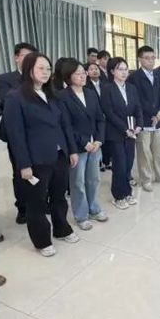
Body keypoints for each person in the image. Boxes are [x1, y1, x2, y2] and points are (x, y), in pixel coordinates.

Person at [3, 52, 80, 255]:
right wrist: (24, 165)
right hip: (36, 159)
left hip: (59, 155)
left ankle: (62, 229)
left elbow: (65, 125)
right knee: (36, 203)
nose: (46, 72)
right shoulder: (16, 97)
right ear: (29, 69)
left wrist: (72, 150)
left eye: (48, 68)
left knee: (59, 196)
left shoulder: (53, 94)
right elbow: (16, 135)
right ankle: (42, 241)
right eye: (41, 68)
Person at [54, 58, 107, 231]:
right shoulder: (62, 96)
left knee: (94, 179)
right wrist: (84, 143)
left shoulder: (90, 93)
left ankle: (94, 208)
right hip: (77, 147)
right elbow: (66, 126)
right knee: (77, 182)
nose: (83, 76)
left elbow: (100, 118)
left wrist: (98, 140)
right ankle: (81, 215)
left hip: (95, 145)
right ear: (68, 76)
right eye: (78, 73)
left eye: (83, 73)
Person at [0, 42, 37, 223]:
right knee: (20, 171)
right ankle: (22, 208)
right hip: (16, 133)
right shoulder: (5, 79)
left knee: (38, 169)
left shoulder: (40, 78)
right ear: (16, 58)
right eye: (25, 56)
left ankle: (38, 203)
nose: (30, 60)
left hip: (37, 133)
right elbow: (8, 102)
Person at [127, 46, 160, 192]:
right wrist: (152, 113)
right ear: (140, 59)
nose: (151, 61)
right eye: (147, 58)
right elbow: (137, 100)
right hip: (143, 121)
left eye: (153, 58)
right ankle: (146, 179)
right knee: (144, 153)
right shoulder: (134, 78)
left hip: (158, 120)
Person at [100, 57, 142, 209]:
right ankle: (118, 196)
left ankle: (127, 192)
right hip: (116, 133)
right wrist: (125, 129)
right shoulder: (107, 89)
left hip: (132, 132)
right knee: (120, 165)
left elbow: (138, 108)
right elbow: (109, 112)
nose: (124, 72)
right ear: (112, 71)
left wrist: (139, 125)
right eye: (120, 69)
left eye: (126, 69)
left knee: (129, 163)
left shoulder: (132, 88)